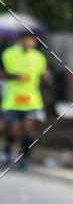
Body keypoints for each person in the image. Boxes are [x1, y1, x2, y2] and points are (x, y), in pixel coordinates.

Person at [1, 30, 48, 170]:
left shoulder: (39, 57)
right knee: (14, 129)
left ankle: (25, 158)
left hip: (32, 99)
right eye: (27, 39)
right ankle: (7, 149)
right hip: (13, 99)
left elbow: (43, 76)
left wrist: (45, 75)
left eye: (33, 40)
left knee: (29, 129)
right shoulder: (8, 54)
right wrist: (15, 76)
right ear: (20, 40)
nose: (30, 42)